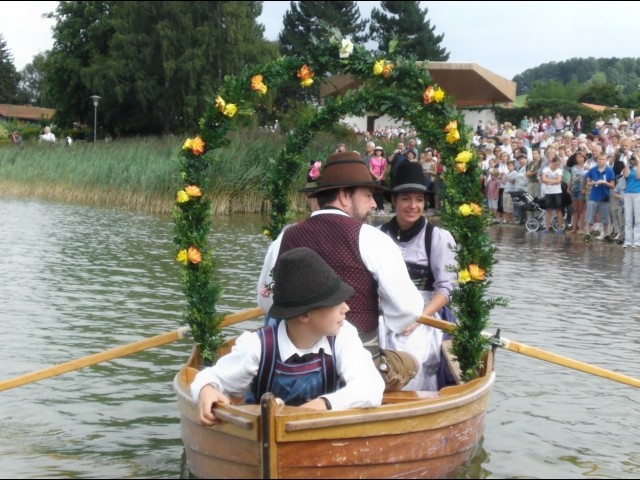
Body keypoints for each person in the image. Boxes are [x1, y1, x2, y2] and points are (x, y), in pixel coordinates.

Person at [257, 151, 424, 392]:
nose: (374, 204)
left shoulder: (285, 237)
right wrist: (384, 312)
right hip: (355, 367)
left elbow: (266, 302)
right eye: (368, 195)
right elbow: (408, 310)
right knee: (410, 363)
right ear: (345, 196)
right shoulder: (373, 239)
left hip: (290, 367)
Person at [193, 247, 384, 425]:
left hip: (320, 436)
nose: (346, 308)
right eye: (335, 303)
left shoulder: (343, 335)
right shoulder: (257, 346)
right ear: (304, 315)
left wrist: (322, 404)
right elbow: (208, 377)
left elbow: (371, 387)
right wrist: (206, 390)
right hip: (260, 437)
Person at [379, 162, 457, 391]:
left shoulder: (438, 238)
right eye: (406, 199)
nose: (413, 206)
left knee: (415, 358)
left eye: (419, 199)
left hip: (425, 313)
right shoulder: (377, 236)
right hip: (383, 311)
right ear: (394, 201)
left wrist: (418, 318)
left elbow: (446, 288)